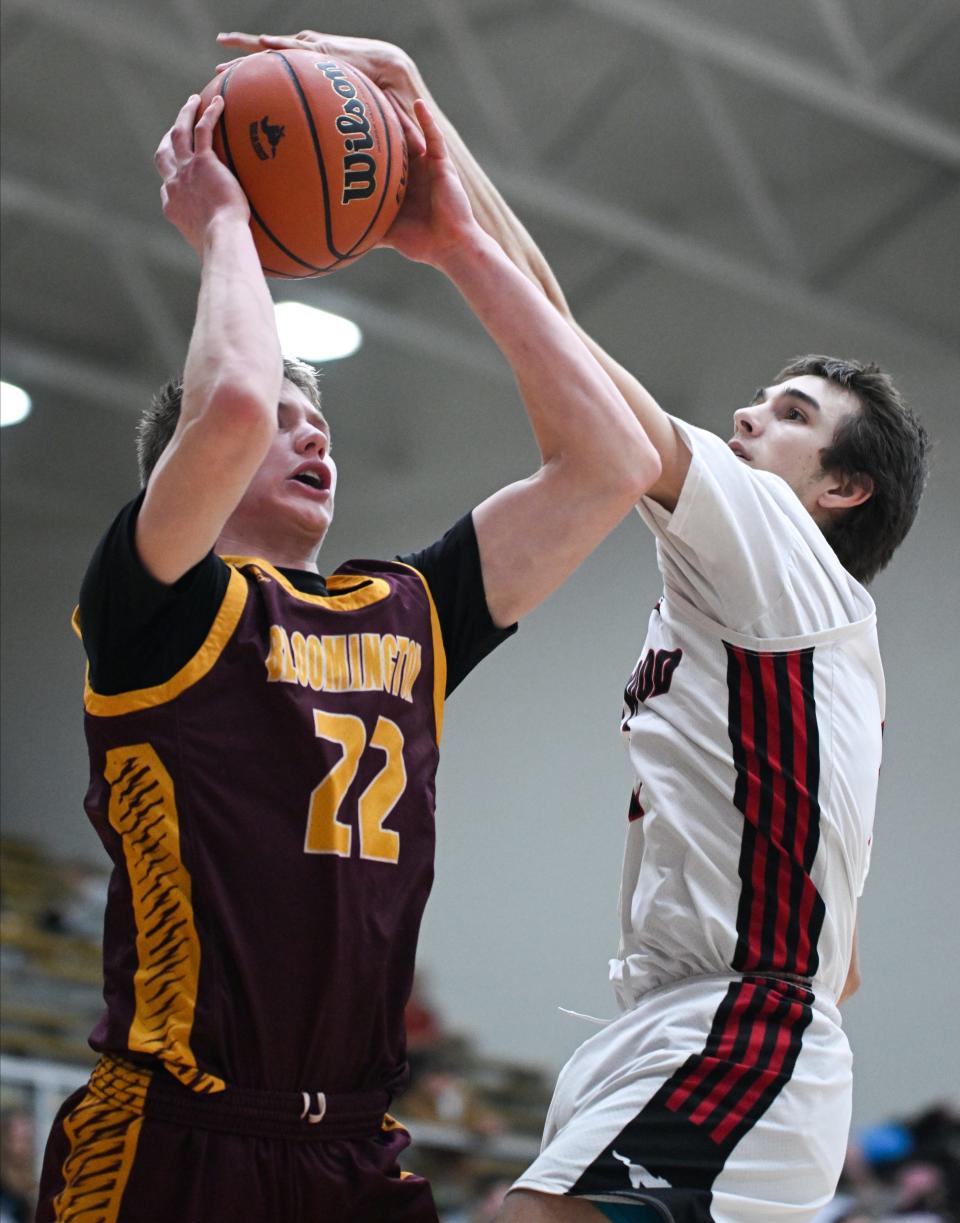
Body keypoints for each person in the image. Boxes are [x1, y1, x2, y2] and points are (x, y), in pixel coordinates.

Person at [214, 30, 931, 1223]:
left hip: (734, 1025)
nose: (751, 414)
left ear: (841, 489)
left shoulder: (784, 553)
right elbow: (843, 954)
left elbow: (588, 380)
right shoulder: (776, 618)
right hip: (700, 1025)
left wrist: (436, 157)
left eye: (794, 413)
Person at [35, 86, 661, 1223]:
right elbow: (223, 402)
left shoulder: (402, 613)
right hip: (179, 1135)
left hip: (357, 1154)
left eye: (319, 420)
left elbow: (612, 460)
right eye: (287, 417)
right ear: (185, 466)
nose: (310, 429)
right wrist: (225, 223)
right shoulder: (153, 602)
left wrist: (461, 240)